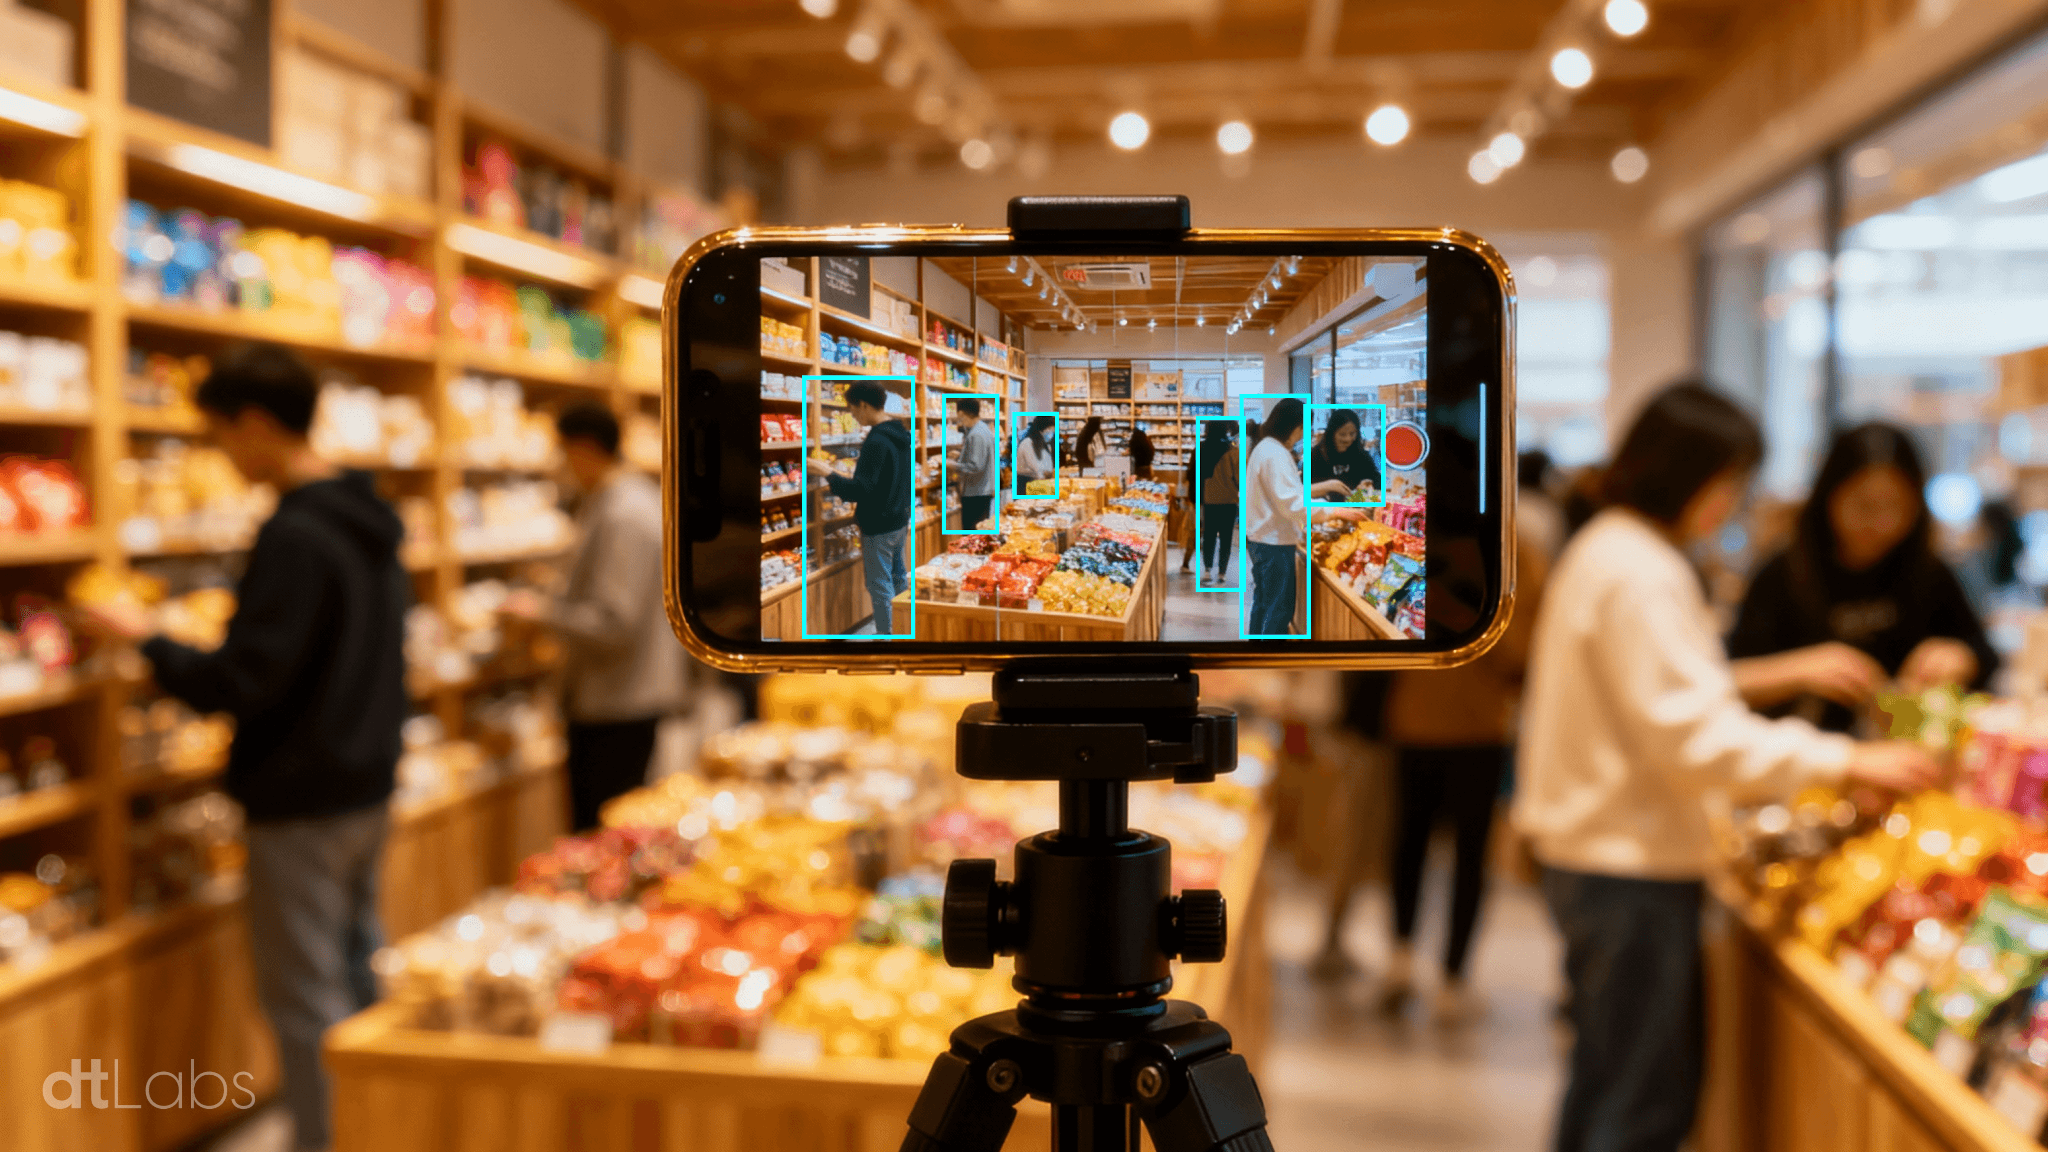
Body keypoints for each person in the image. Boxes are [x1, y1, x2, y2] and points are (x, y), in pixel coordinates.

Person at [1512, 382, 1939, 1152]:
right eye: (1730, 484)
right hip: (1628, 869)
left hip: (1606, 859)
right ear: (1691, 475)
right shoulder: (1639, 569)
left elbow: (1665, 703)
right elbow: (1695, 737)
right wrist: (1847, 760)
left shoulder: (1614, 549)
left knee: (1606, 1082)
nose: (1732, 504)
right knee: (1641, 1106)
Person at [85, 342, 410, 1152]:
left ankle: (328, 1140)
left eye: (222, 436)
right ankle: (382, 1123)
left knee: (304, 995)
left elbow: (241, 681)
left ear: (259, 426)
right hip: (368, 778)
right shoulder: (367, 516)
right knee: (359, 964)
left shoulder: (296, 534)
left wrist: (148, 639)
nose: (223, 459)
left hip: (301, 794)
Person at [1316, 529, 1550, 1023]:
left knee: (1416, 842)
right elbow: (1524, 650)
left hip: (1431, 718)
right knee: (1458, 851)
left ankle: (1413, 962)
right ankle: (1447, 973)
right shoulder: (1512, 550)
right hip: (1468, 724)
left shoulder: (1426, 541)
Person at [1729, 422, 1997, 732]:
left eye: (1898, 506)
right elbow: (1728, 679)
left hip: (1904, 748)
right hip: (1804, 752)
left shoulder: (1928, 570)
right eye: (1864, 506)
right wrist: (1801, 669)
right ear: (1829, 495)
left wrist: (1960, 656)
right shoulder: (1782, 573)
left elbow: (1984, 653)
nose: (1882, 524)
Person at [505, 403, 689, 831]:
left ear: (585, 448)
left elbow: (613, 622)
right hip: (626, 696)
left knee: (602, 832)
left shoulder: (621, 512)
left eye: (563, 451)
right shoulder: (631, 498)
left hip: (615, 702)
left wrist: (541, 612)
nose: (560, 464)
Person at [1243, 399, 1364, 634]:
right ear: (1296, 427)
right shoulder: (1275, 455)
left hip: (1262, 539)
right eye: (1304, 428)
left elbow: (1284, 494)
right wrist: (1335, 511)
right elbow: (1293, 505)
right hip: (1273, 543)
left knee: (1264, 603)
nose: (1303, 435)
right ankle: (1270, 662)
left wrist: (1324, 486)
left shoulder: (1266, 448)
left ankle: (1256, 655)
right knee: (1278, 610)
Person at [806, 379, 913, 633]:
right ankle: (906, 632)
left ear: (864, 405)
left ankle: (888, 643)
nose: (853, 416)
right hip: (900, 520)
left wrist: (828, 472)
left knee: (880, 586)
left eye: (852, 409)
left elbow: (860, 490)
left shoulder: (876, 441)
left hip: (879, 525)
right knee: (899, 580)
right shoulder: (901, 434)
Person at [1195, 421, 1241, 587]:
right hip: (1229, 500)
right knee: (1226, 537)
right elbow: (1239, 477)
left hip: (1209, 499)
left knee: (1209, 535)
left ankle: (1207, 570)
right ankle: (1222, 572)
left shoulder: (1202, 448)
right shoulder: (1233, 451)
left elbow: (1196, 474)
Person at [1308, 407, 1380, 501]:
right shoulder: (1316, 456)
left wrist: (1368, 485)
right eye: (1342, 434)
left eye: (1352, 433)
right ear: (1332, 433)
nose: (1348, 439)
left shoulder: (1361, 455)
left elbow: (1377, 482)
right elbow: (1301, 491)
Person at [947, 397, 996, 530]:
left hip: (976, 493)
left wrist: (952, 465)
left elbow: (976, 466)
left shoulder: (976, 434)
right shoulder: (984, 429)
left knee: (972, 534)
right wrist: (961, 455)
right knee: (980, 533)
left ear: (962, 413)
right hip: (983, 490)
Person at [1015, 414, 1056, 489]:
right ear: (1042, 428)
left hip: (1036, 483)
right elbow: (1037, 468)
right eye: (1050, 430)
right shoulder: (1028, 443)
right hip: (1026, 485)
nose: (1052, 434)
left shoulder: (1043, 444)